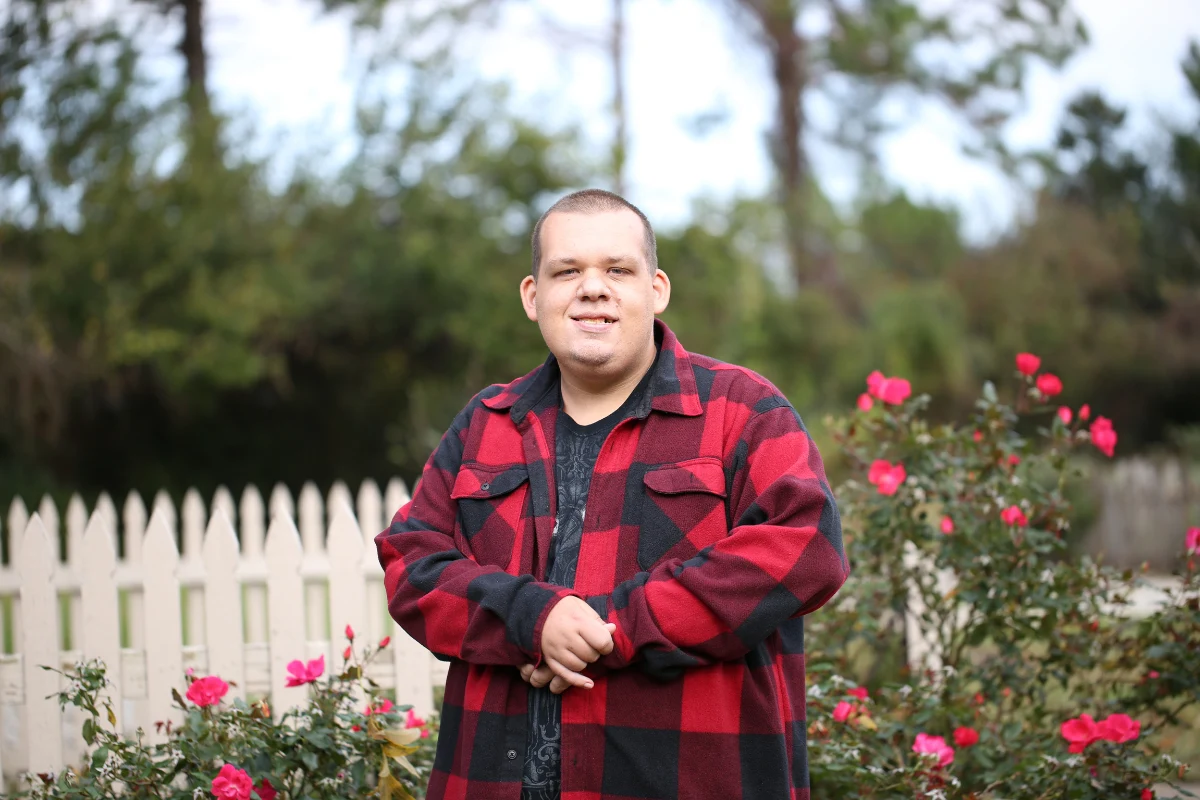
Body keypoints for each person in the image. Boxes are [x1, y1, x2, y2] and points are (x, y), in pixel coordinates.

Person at [376, 189, 849, 800]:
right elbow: (411, 561)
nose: (592, 288)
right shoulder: (485, 423)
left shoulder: (742, 409)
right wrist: (529, 618)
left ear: (656, 290)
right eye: (567, 270)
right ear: (532, 295)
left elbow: (807, 546)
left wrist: (612, 626)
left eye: (617, 270)